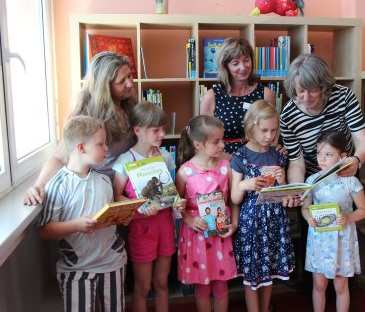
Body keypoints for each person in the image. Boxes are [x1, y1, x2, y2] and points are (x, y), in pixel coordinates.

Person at [38, 115, 127, 312]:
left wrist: (121, 216)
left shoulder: (104, 181)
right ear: (81, 148)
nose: (106, 148)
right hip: (76, 269)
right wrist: (76, 225)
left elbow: (109, 217)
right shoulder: (58, 186)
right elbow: (45, 230)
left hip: (111, 262)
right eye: (101, 144)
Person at [25, 51, 137, 205]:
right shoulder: (86, 116)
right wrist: (38, 185)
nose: (130, 83)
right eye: (121, 81)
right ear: (104, 87)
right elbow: (60, 157)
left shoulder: (131, 107)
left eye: (129, 76)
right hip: (100, 195)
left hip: (130, 191)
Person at [112, 102, 186, 312]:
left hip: (164, 226)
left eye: (163, 128)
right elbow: (116, 196)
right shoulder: (126, 160)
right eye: (156, 130)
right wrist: (138, 206)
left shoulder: (165, 156)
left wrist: (177, 202)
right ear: (138, 131)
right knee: (143, 286)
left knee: (162, 283)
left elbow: (170, 191)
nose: (162, 133)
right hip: (141, 228)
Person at [230, 100, 295, 312]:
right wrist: (244, 184)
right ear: (251, 127)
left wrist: (282, 179)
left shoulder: (278, 155)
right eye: (264, 130)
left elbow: (283, 195)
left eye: (274, 131)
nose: (269, 136)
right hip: (251, 224)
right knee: (252, 277)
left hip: (275, 222)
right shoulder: (240, 155)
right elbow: (234, 198)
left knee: (270, 275)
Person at [301, 130, 365, 312]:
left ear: (343, 156)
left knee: (341, 285)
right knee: (319, 284)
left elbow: (364, 210)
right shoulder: (312, 180)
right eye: (318, 153)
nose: (321, 159)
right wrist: (308, 218)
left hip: (342, 239)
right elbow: (305, 207)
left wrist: (348, 217)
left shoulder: (351, 181)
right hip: (319, 240)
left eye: (328, 154)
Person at [175, 115, 238, 312]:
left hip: (220, 234)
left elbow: (233, 200)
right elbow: (177, 205)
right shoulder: (185, 172)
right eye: (216, 141)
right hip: (196, 236)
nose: (222, 145)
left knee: (221, 286)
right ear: (198, 144)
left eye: (223, 139)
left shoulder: (226, 167)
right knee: (202, 288)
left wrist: (234, 223)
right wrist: (189, 219)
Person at [280, 53, 365, 183]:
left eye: (312, 90)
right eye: (301, 91)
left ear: (323, 86)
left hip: (345, 170)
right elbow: (296, 163)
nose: (306, 98)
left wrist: (356, 160)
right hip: (312, 178)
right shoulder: (288, 116)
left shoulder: (343, 96)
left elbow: (362, 140)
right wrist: (297, 190)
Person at [199, 37, 276, 157]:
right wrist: (230, 159)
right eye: (235, 63)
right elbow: (204, 139)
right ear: (226, 66)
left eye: (246, 60)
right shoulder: (212, 96)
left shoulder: (266, 94)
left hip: (256, 157)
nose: (243, 67)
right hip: (222, 158)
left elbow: (272, 134)